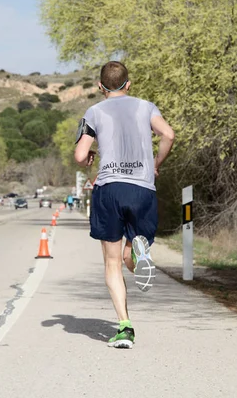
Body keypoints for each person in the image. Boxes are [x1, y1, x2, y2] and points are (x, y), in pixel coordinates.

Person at [74, 61, 175, 349]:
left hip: (110, 189)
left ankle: (125, 326)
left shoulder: (94, 111)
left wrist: (90, 153)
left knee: (111, 262)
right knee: (130, 255)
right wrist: (155, 164)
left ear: (100, 87)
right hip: (142, 189)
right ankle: (138, 256)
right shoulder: (146, 107)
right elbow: (168, 135)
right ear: (128, 84)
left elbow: (81, 156)